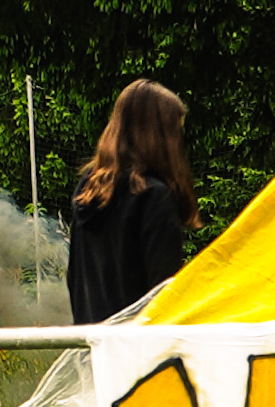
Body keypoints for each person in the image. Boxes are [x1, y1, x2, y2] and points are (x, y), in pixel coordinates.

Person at [64, 79, 198, 324]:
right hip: (139, 350)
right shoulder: (153, 197)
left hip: (95, 344)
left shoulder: (89, 190)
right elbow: (163, 294)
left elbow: (74, 278)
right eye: (175, 131)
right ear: (161, 135)